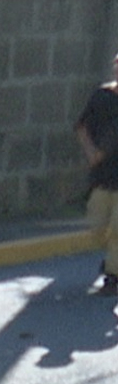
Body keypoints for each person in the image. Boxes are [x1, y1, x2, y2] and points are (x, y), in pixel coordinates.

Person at [75, 50, 118, 297]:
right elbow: (81, 126)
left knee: (117, 231)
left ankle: (112, 276)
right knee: (98, 228)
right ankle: (113, 263)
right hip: (102, 177)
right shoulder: (101, 97)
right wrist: (92, 153)